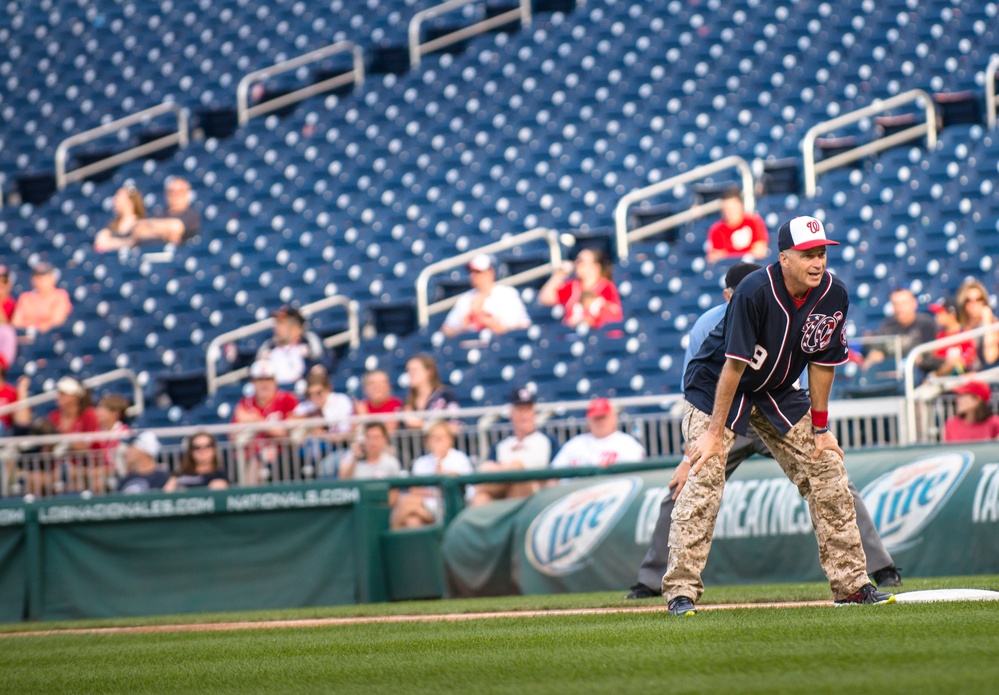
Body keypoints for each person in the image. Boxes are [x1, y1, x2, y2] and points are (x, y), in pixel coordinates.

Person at [662, 216, 895, 617]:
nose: (817, 262)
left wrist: (821, 430)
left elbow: (823, 365)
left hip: (777, 388)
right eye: (808, 254)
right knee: (705, 477)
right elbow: (732, 368)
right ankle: (680, 592)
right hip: (717, 386)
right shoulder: (753, 291)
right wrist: (713, 435)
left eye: (821, 253)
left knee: (827, 471)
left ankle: (852, 584)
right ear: (784, 257)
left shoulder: (833, 293)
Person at [471, 387, 558, 506]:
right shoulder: (501, 445)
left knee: (517, 473)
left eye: (527, 409)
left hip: (534, 495)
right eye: (520, 410)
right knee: (481, 497)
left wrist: (507, 467)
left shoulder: (548, 441)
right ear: (512, 414)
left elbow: (554, 476)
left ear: (533, 412)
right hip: (501, 494)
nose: (524, 415)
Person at [391, 421, 473, 529]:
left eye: (441, 437)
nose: (437, 441)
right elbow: (415, 490)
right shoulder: (421, 461)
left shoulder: (459, 458)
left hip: (452, 506)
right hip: (424, 506)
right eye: (433, 437)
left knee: (405, 502)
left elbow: (464, 488)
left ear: (450, 440)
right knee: (412, 521)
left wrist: (439, 466)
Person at [231, 360, 299, 483]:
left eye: (268, 379)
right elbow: (234, 436)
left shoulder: (287, 399)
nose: (265, 384)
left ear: (275, 381)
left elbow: (285, 433)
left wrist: (257, 421)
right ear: (253, 382)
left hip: (283, 456)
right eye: (260, 380)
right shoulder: (245, 403)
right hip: (252, 455)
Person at [441, 254, 531, 337]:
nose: (473, 276)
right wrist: (464, 325)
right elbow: (447, 328)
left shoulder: (506, 293)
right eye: (471, 272)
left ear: (490, 272)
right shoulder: (465, 298)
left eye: (478, 272)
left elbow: (521, 326)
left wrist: (488, 323)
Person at [539, 248, 623, 329]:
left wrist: (587, 321)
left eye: (581, 261)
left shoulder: (606, 287)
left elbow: (613, 316)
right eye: (576, 261)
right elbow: (545, 299)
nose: (577, 264)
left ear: (596, 267)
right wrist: (559, 275)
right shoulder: (572, 286)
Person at [550, 397, 645, 468]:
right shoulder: (575, 444)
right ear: (588, 420)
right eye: (596, 418)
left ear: (613, 418)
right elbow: (554, 472)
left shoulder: (627, 444)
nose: (600, 422)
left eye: (603, 417)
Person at [861, 287, 937, 374]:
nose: (899, 308)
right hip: (891, 375)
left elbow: (930, 357)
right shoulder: (887, 325)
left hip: (917, 376)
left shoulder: (926, 324)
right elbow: (877, 352)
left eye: (904, 303)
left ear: (914, 303)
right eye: (895, 304)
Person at [256, 305, 327, 386]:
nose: (276, 328)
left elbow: (325, 364)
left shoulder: (310, 343)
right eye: (276, 323)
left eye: (281, 323)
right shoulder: (268, 347)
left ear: (296, 328)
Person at [127, 177, 201, 245]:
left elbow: (176, 226)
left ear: (187, 194)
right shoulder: (159, 213)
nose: (175, 195)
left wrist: (151, 227)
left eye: (180, 191)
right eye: (171, 191)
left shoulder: (191, 215)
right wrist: (165, 232)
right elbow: (138, 231)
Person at [704, 187, 770, 263]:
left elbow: (760, 251)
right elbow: (713, 257)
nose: (730, 212)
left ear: (740, 205)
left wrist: (726, 254)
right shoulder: (716, 229)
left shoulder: (754, 222)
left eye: (733, 208)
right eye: (727, 209)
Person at [11, 262, 73, 334]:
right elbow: (16, 323)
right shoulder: (25, 297)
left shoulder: (60, 295)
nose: (41, 282)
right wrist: (39, 324)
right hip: (28, 337)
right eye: (37, 278)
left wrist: (30, 323)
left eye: (44, 278)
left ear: (52, 278)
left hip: (52, 336)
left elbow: (57, 321)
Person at [402, 353, 459, 430]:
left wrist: (422, 424)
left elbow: (456, 426)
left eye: (415, 370)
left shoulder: (445, 395)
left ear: (429, 372)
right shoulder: (408, 402)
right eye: (408, 370)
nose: (410, 374)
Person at [956, 279, 999, 369]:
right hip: (964, 377)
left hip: (987, 377)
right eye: (968, 300)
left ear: (984, 301)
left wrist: (987, 321)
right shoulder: (960, 328)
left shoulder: (993, 325)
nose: (974, 304)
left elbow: (990, 357)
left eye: (979, 299)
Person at [164, 432, 230, 491]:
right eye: (197, 447)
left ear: (214, 449)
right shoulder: (179, 475)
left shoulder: (220, 475)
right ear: (190, 451)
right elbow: (167, 495)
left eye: (208, 446)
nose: (203, 450)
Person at [928, 298, 977, 376]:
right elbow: (936, 358)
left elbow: (966, 361)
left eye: (940, 313)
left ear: (952, 315)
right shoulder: (940, 335)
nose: (937, 316)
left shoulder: (964, 334)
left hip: (960, 378)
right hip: (943, 379)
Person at [93, 394, 132, 491]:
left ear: (115, 413)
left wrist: (96, 471)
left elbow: (121, 464)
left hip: (120, 474)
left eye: (102, 410)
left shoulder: (124, 432)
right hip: (103, 473)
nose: (97, 413)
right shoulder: (98, 431)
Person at [338, 422, 403, 481]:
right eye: (368, 437)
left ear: (384, 439)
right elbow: (343, 482)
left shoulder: (391, 463)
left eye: (376, 437)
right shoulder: (351, 457)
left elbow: (394, 491)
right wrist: (354, 459)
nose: (372, 442)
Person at [93, 186, 146, 253]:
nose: (115, 201)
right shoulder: (112, 226)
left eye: (118, 197)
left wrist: (111, 242)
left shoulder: (141, 223)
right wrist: (126, 242)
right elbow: (100, 242)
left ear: (130, 201)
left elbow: (136, 241)